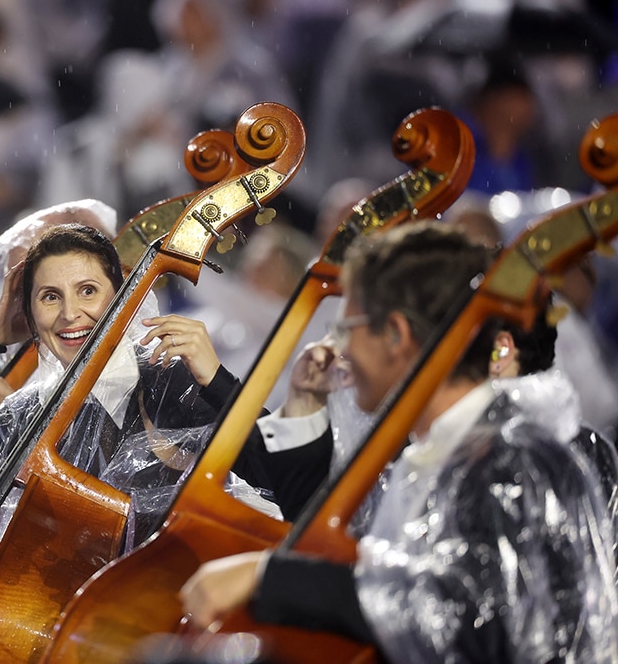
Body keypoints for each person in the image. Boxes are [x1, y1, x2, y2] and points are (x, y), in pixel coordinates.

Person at [180, 222, 618, 662]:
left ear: (396, 335)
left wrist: (270, 576)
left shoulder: (509, 457)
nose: (340, 349)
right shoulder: (446, 447)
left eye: (349, 327)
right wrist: (303, 406)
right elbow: (336, 538)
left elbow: (469, 618)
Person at [0, 222, 248, 660]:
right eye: (50, 297)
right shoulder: (32, 414)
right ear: (31, 314)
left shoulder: (167, 377)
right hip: (65, 639)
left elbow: (266, 469)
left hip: (167, 631)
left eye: (88, 291)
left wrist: (217, 381)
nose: (70, 314)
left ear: (121, 297)